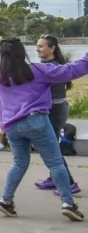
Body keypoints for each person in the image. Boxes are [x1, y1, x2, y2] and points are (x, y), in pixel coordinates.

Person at [0, 38, 88, 222]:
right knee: (55, 163)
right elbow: (72, 70)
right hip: (36, 121)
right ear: (22, 52)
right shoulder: (39, 70)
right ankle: (68, 204)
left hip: (11, 127)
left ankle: (6, 200)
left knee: (19, 163)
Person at [32, 35, 80, 195]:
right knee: (50, 146)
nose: (37, 49)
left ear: (52, 48)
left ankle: (69, 182)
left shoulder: (53, 67)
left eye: (41, 46)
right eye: (37, 46)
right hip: (54, 109)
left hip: (54, 110)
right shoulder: (47, 65)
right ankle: (54, 178)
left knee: (51, 148)